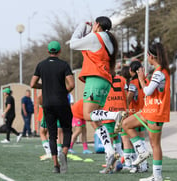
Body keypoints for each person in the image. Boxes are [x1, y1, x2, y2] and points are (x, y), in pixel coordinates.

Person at [70, 16, 127, 174]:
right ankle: (110, 152)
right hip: (104, 81)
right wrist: (90, 30)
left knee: (88, 115)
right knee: (96, 120)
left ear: (98, 25)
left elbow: (73, 43)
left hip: (95, 79)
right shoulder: (108, 39)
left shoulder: (96, 37)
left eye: (94, 24)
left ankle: (115, 115)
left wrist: (82, 25)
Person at [120, 43, 170, 181]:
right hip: (149, 111)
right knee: (125, 124)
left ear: (150, 56)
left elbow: (147, 91)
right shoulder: (159, 71)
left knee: (155, 145)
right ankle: (141, 151)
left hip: (156, 113)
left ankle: (157, 176)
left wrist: (141, 79)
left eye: (147, 55)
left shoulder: (160, 72)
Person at [30, 41, 75, 173]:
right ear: (59, 51)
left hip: (47, 104)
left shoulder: (41, 65)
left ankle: (56, 165)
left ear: (48, 51)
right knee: (67, 130)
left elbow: (33, 84)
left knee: (52, 135)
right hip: (62, 102)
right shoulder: (64, 65)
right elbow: (71, 84)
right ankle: (64, 153)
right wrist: (62, 91)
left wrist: (43, 87)